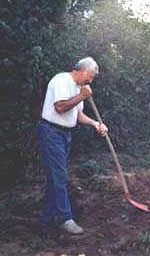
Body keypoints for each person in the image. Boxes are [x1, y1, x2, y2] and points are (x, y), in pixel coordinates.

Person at [38, 57, 108, 235]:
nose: (90, 81)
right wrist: (81, 96)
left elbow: (78, 115)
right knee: (60, 177)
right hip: (51, 132)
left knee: (55, 178)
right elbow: (60, 107)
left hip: (65, 134)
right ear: (82, 70)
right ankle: (64, 218)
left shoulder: (78, 88)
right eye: (90, 77)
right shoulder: (62, 80)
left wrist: (95, 124)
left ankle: (46, 220)